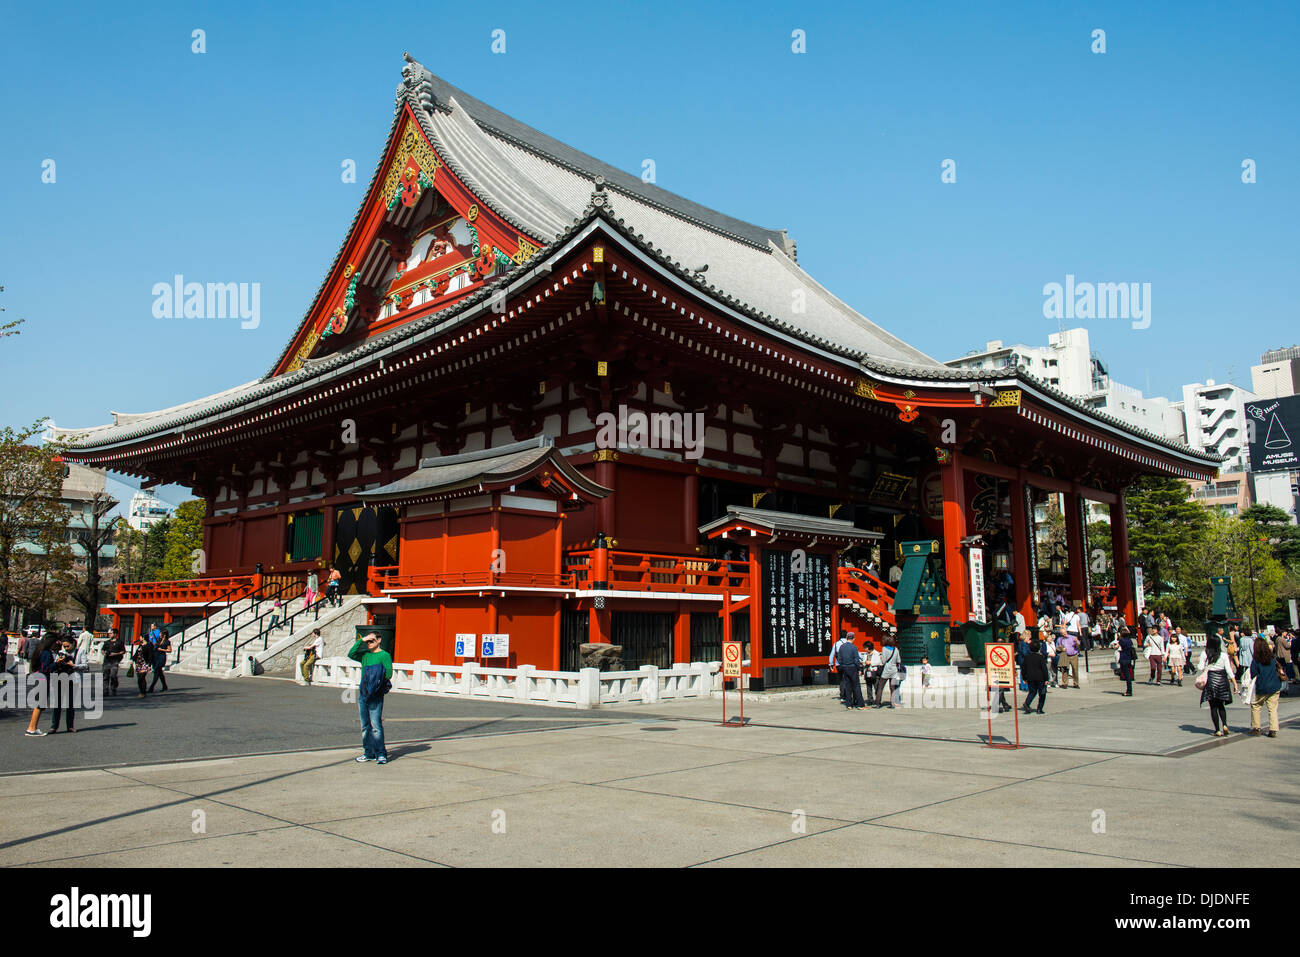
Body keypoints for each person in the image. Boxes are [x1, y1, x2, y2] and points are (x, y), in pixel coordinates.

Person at [349, 632, 393, 764]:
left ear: (379, 640)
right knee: (365, 725)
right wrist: (362, 640)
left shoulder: (384, 655)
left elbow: (389, 673)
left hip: (376, 694)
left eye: (372, 641)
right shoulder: (365, 656)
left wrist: (376, 684)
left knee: (376, 725)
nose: (369, 644)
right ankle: (368, 752)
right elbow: (351, 654)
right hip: (363, 694)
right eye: (368, 642)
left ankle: (380, 753)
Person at [1198, 633, 1238, 737]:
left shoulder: (1204, 653)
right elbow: (1229, 670)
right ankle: (1225, 724)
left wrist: (1201, 663)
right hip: (1222, 680)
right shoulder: (1223, 655)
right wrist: (1235, 683)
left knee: (1213, 706)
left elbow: (1200, 667)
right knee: (1221, 705)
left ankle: (1217, 730)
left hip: (1211, 680)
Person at [23, 634, 59, 736]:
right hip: (43, 679)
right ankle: (32, 728)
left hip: (37, 677)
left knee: (38, 704)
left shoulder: (39, 651)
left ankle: (32, 727)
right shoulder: (46, 653)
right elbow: (46, 668)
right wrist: (57, 663)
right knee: (39, 705)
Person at [1248, 636, 1282, 737]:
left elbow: (1253, 674)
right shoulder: (1272, 658)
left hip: (1262, 686)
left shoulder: (1256, 661)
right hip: (1275, 685)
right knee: (1272, 708)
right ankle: (1273, 729)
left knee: (1256, 706)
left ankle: (1256, 727)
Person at [49, 637, 77, 733]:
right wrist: (58, 662)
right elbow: (54, 665)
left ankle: (70, 726)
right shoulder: (60, 653)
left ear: (73, 643)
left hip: (72, 679)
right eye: (64, 646)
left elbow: (85, 667)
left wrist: (73, 665)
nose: (66, 648)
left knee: (70, 704)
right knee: (57, 704)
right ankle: (54, 726)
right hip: (60, 679)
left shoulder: (80, 652)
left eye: (67, 646)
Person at [835, 634, 865, 710]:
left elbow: (839, 658)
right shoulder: (854, 647)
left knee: (848, 686)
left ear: (846, 638)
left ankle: (849, 704)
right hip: (853, 667)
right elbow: (856, 659)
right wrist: (859, 669)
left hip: (844, 667)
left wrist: (842, 665)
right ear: (853, 638)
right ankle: (860, 704)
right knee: (856, 686)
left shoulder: (842, 647)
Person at [1021, 638, 1049, 714]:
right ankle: (1039, 708)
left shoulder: (1027, 657)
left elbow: (1023, 668)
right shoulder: (1040, 657)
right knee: (1042, 693)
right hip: (1040, 678)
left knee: (1032, 692)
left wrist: (1024, 677)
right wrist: (1046, 679)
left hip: (1030, 678)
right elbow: (1044, 669)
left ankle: (1027, 703)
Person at [873, 637, 900, 708]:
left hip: (886, 670)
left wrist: (881, 659)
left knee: (880, 687)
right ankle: (892, 703)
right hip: (894, 670)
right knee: (892, 688)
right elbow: (898, 660)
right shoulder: (896, 649)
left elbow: (883, 661)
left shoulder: (884, 649)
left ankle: (877, 703)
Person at [102, 630, 125, 696]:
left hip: (115, 661)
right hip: (106, 661)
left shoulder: (119, 642)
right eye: (109, 633)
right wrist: (104, 654)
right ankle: (105, 691)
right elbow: (102, 650)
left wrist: (115, 654)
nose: (109, 634)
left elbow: (123, 651)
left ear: (115, 634)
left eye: (111, 633)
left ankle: (113, 688)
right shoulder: (107, 642)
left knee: (113, 675)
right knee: (105, 676)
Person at [148, 628, 170, 693]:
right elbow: (154, 645)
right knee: (160, 673)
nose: (160, 634)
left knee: (156, 672)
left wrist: (162, 650)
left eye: (161, 633)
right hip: (156, 656)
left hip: (161, 657)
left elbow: (169, 650)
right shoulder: (159, 640)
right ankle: (165, 686)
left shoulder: (167, 641)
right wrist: (151, 639)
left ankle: (151, 687)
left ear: (164, 635)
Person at [1117, 627, 1136, 696]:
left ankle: (1129, 691)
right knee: (1128, 674)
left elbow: (1116, 646)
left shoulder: (1121, 641)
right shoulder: (1129, 640)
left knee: (1127, 675)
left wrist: (1119, 637)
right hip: (1129, 658)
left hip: (1123, 658)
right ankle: (1129, 690)